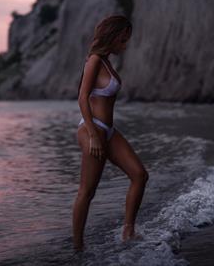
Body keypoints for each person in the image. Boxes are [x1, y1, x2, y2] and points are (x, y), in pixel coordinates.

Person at [72, 15, 149, 251]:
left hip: (108, 130)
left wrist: (102, 133)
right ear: (113, 36)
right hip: (91, 129)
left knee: (139, 175)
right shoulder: (94, 60)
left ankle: (128, 231)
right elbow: (82, 98)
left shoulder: (105, 60)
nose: (125, 45)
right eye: (124, 39)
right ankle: (78, 249)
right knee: (87, 191)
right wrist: (94, 135)